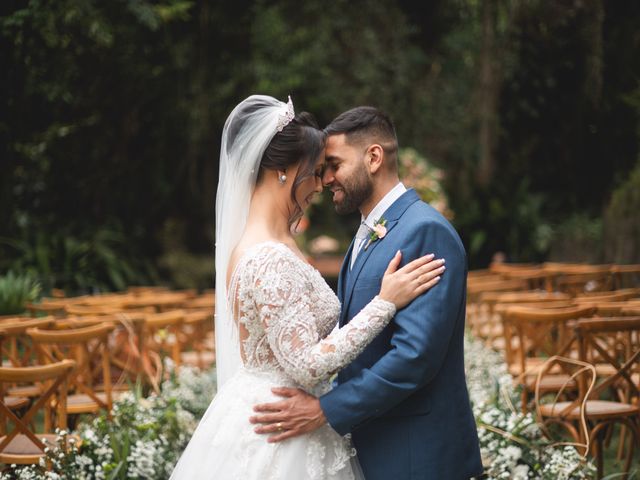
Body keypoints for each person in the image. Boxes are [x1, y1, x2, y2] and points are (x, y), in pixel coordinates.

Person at [169, 95, 446, 479]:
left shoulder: (270, 244)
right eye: (316, 171)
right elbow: (306, 364)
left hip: (287, 412)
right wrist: (385, 303)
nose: (321, 183)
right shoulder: (268, 256)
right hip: (282, 424)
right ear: (285, 170)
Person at [250, 106, 484, 479]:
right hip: (375, 445)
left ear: (373, 157)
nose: (324, 179)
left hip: (415, 453)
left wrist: (327, 409)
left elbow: (415, 356)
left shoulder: (425, 231)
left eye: (334, 164)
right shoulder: (367, 233)